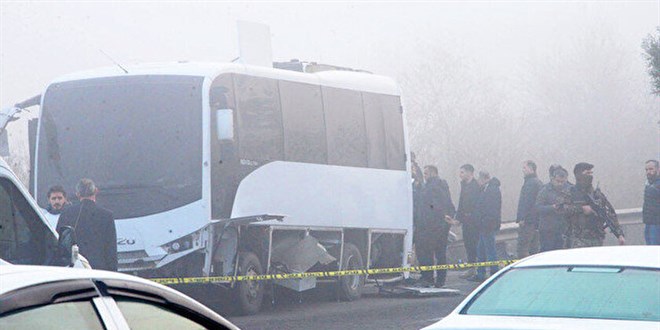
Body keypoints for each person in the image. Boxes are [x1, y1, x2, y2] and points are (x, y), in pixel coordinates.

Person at [57, 178, 117, 271]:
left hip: (74, 268)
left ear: (77, 194)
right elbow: (111, 249)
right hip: (100, 269)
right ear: (96, 191)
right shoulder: (106, 216)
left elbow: (59, 244)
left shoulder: (66, 214)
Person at [565, 163, 625, 248]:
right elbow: (560, 209)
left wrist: (619, 234)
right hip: (578, 238)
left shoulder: (597, 195)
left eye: (591, 174)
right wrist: (581, 209)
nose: (590, 176)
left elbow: (609, 214)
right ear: (578, 175)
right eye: (587, 173)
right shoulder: (570, 193)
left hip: (596, 238)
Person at [417, 165, 455, 288]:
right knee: (438, 253)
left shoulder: (434, 186)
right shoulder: (437, 186)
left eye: (426, 173)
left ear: (433, 173)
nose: (424, 176)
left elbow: (434, 205)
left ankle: (430, 278)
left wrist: (439, 215)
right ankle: (437, 279)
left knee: (430, 252)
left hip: (434, 224)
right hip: (437, 224)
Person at [470, 171, 501, 282]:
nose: (478, 181)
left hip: (487, 225)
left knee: (489, 249)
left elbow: (490, 209)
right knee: (481, 249)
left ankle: (493, 272)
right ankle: (481, 273)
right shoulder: (486, 189)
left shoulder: (491, 190)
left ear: (484, 179)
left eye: (479, 179)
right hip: (484, 224)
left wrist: (484, 221)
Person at [452, 164, 481, 279]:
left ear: (470, 172)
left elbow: (478, 205)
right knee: (468, 244)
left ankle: (478, 268)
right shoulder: (464, 185)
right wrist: (458, 218)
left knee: (475, 244)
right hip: (466, 221)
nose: (460, 175)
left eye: (462, 172)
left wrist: (475, 218)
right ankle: (471, 268)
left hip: (474, 221)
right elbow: (462, 203)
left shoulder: (476, 186)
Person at [536, 166, 571, 252]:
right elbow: (537, 207)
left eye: (562, 182)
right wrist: (552, 208)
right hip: (547, 230)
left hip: (564, 229)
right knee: (547, 253)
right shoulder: (544, 190)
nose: (560, 184)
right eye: (558, 181)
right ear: (552, 179)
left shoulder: (570, 189)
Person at [515, 160, 543, 258]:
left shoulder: (531, 183)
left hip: (528, 222)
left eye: (524, 168)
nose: (523, 170)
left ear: (531, 169)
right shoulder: (537, 182)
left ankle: (524, 269)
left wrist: (522, 218)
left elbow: (527, 202)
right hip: (535, 221)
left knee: (523, 248)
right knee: (534, 248)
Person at [643, 160, 660, 245]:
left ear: (658, 169)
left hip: (657, 223)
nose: (648, 172)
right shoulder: (648, 185)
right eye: (646, 170)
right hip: (649, 223)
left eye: (651, 169)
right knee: (649, 250)